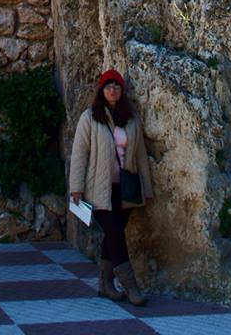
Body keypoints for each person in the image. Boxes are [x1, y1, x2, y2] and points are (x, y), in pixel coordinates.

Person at [69, 68, 152, 306]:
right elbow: (79, 153)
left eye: (116, 86)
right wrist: (76, 188)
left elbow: (140, 155)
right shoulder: (90, 118)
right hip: (98, 189)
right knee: (115, 234)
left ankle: (105, 285)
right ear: (101, 91)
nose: (112, 90)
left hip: (125, 189)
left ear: (122, 90)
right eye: (107, 86)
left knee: (112, 235)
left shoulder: (131, 118)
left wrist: (147, 189)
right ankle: (131, 287)